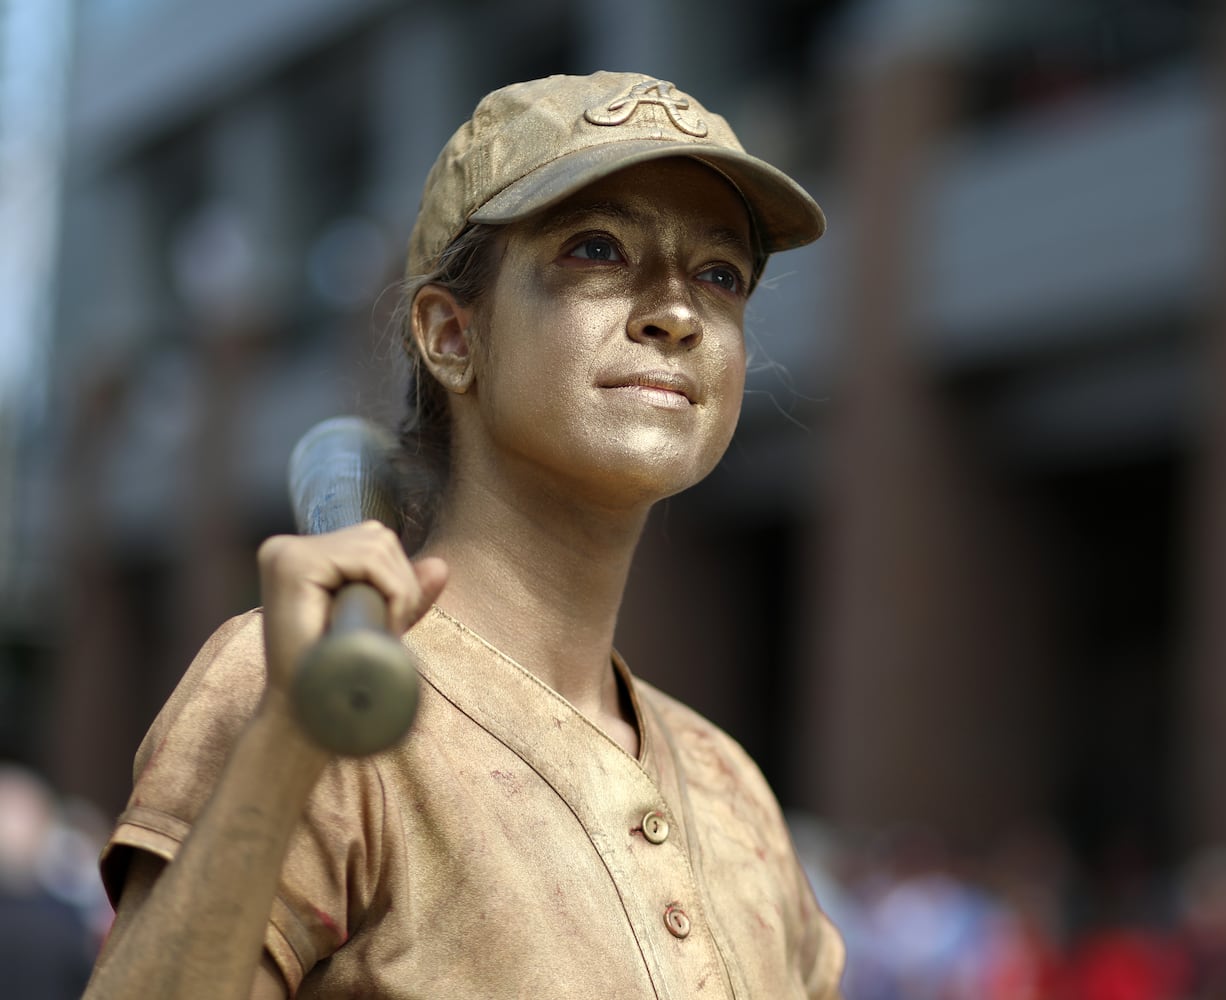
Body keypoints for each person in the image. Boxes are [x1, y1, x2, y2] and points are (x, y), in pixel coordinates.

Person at [83, 71, 845, 998]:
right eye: (596, 250)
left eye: (719, 275)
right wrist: (289, 744)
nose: (676, 313)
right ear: (452, 335)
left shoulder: (735, 793)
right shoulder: (308, 675)